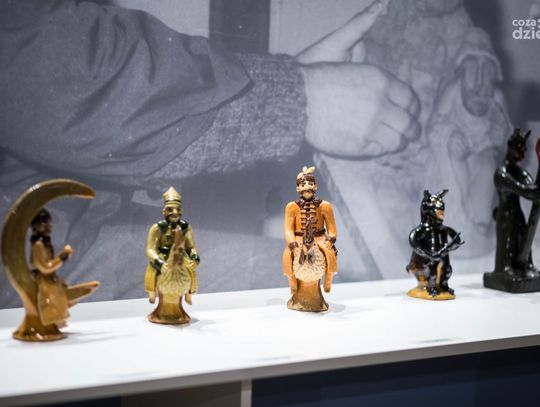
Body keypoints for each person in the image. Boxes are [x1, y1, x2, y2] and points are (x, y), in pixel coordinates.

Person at [0, 0, 418, 307]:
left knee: (323, 288)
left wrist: (293, 78)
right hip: (19, 273)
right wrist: (302, 98)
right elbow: (45, 72)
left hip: (58, 235)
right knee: (331, 301)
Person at [282, 167, 337, 312]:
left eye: (311, 184)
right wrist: (292, 243)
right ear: (298, 188)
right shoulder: (291, 207)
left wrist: (330, 240)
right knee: (287, 256)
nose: (307, 187)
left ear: (316, 186)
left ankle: (328, 281)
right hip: (298, 239)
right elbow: (288, 229)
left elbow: (332, 229)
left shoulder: (325, 206)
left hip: (319, 238)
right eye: (303, 184)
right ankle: (293, 283)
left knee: (330, 254)